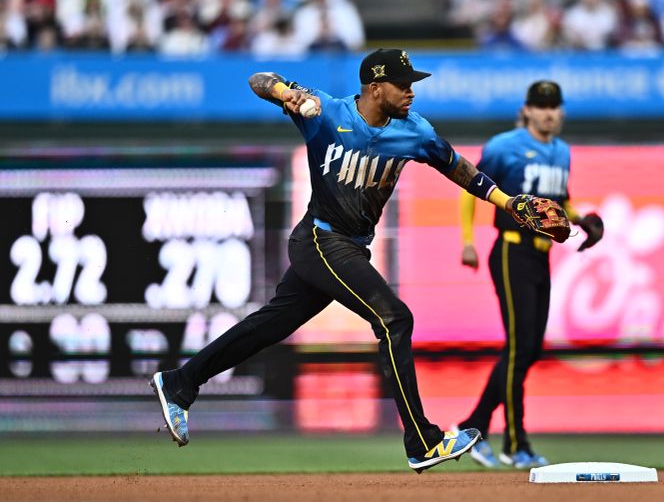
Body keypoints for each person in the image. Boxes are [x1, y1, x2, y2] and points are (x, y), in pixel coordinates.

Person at [150, 48, 561, 473]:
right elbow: (258, 78)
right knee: (394, 318)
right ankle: (422, 440)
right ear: (375, 86)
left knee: (268, 326)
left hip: (350, 246)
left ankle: (180, 383)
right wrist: (283, 94)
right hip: (320, 239)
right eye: (403, 84)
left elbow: (459, 168)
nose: (410, 92)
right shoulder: (325, 112)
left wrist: (507, 201)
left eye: (412, 84)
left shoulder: (414, 131)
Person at [454, 80, 604, 469]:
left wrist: (582, 220)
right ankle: (516, 444)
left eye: (554, 105)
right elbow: (469, 187)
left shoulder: (562, 152)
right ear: (527, 110)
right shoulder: (504, 146)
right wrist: (468, 241)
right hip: (510, 250)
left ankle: (473, 426)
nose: (549, 112)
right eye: (541, 105)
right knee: (520, 348)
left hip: (541, 256)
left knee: (528, 350)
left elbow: (560, 201)